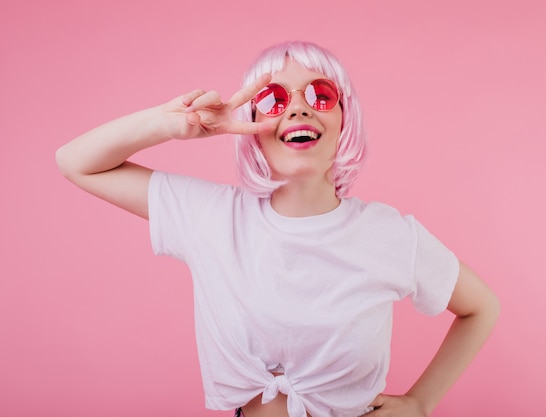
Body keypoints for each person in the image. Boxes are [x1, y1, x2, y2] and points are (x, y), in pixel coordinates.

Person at [56, 41, 500, 417]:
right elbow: (76, 163)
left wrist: (420, 403)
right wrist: (172, 125)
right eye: (274, 100)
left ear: (345, 118)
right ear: (251, 125)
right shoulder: (213, 217)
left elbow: (482, 308)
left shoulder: (390, 234)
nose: (299, 108)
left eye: (321, 95)